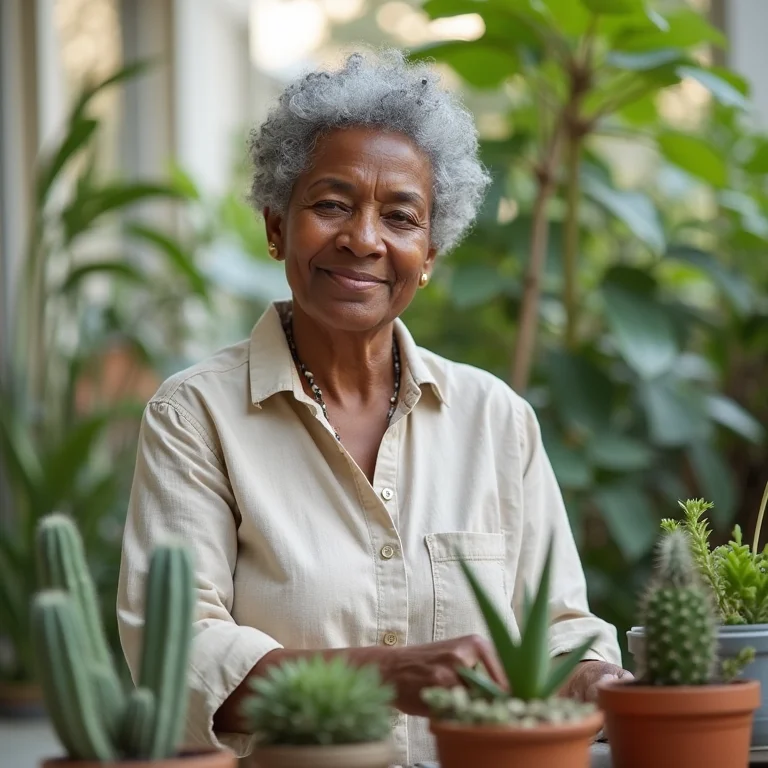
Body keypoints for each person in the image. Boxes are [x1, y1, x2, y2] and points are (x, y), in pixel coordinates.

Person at [117, 49, 629, 766]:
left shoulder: (496, 419)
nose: (363, 239)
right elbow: (181, 656)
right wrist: (389, 676)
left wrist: (598, 679)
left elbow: (558, 631)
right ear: (275, 226)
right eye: (331, 204)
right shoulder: (195, 416)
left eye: (399, 216)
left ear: (430, 252)